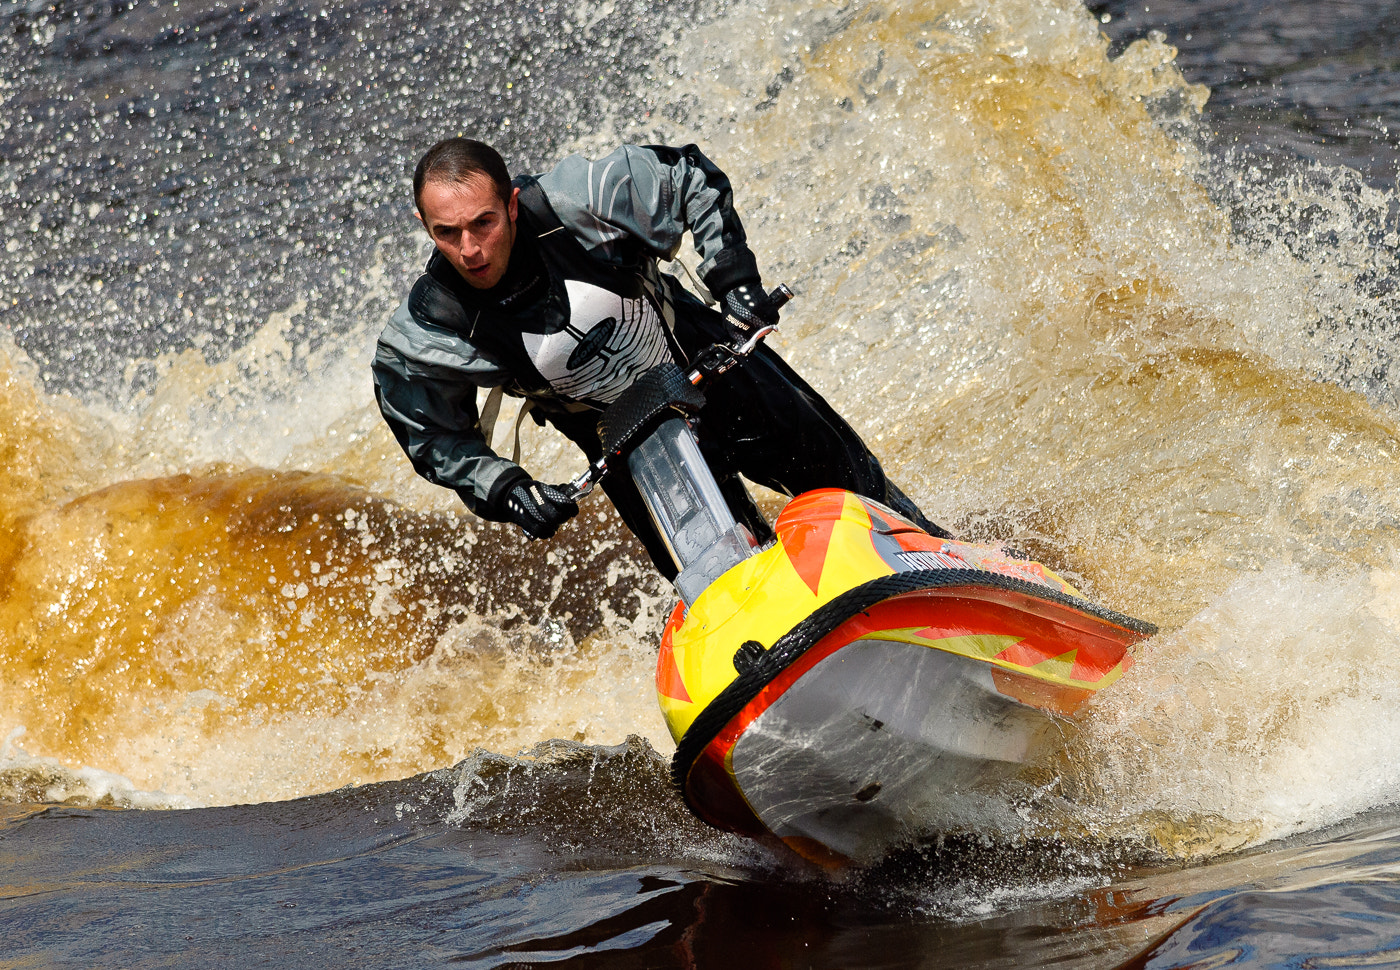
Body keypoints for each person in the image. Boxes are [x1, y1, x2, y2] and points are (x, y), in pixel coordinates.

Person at [372, 138, 948, 580]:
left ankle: (952, 571)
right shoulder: (429, 326)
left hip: (721, 370)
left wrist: (735, 280)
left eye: (484, 223)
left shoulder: (579, 199)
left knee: (865, 499)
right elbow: (431, 434)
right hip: (635, 451)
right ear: (425, 227)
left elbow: (686, 176)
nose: (471, 250)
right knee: (726, 585)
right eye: (448, 233)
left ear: (513, 206)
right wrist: (507, 489)